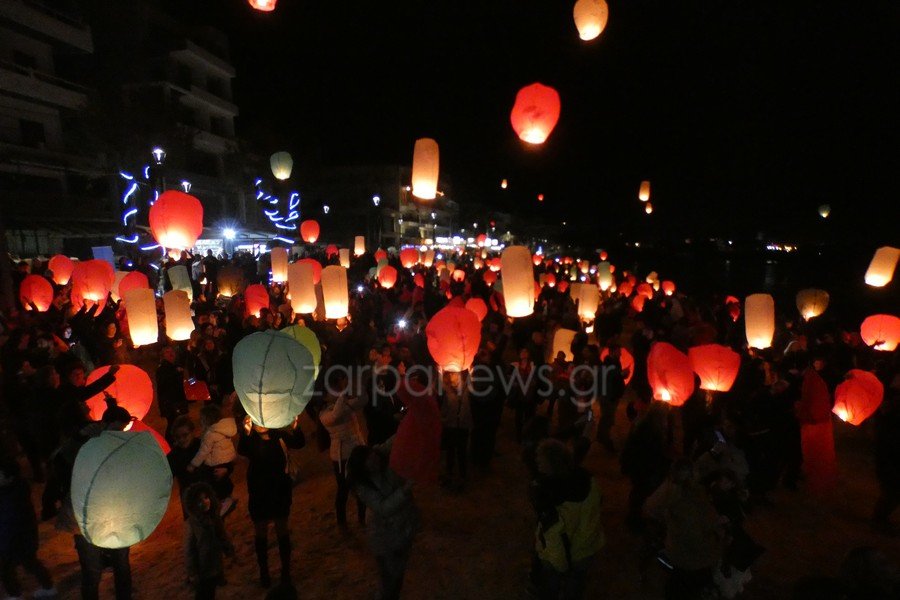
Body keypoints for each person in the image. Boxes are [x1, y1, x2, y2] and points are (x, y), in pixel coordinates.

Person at [530, 439, 604, 600]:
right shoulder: (588, 480)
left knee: (550, 587)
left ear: (552, 463)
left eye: (540, 459)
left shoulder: (549, 496)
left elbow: (553, 535)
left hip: (559, 555)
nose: (537, 462)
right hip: (586, 547)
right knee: (575, 587)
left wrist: (561, 566)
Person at [237, 415, 305, 588]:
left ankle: (285, 571)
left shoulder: (279, 435)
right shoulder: (250, 439)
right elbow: (243, 449)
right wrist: (245, 431)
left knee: (281, 529)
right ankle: (264, 572)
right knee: (261, 532)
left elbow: (299, 442)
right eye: (256, 420)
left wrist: (295, 426)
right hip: (259, 493)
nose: (260, 424)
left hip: (279, 490)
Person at [347, 440, 420, 600]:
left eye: (373, 456)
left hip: (403, 527)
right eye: (369, 462)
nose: (375, 461)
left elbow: (397, 439)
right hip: (384, 537)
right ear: (363, 468)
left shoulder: (380, 456)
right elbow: (384, 508)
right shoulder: (363, 487)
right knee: (388, 579)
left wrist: (409, 420)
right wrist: (405, 490)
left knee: (399, 573)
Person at [644, 460, 725, 600]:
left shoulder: (671, 490)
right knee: (687, 587)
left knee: (678, 582)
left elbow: (649, 508)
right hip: (692, 557)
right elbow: (698, 536)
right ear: (693, 475)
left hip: (676, 548)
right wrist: (719, 537)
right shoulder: (691, 501)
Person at [0, 458, 57, 599]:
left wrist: (4, 545)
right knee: (30, 563)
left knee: (6, 569)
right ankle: (48, 587)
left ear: (9, 478)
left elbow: (8, 524)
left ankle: (15, 595)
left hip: (12, 541)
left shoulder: (9, 498)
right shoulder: (18, 489)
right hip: (24, 539)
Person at [319, 369, 368, 526]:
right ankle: (342, 521)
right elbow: (336, 416)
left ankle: (362, 518)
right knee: (344, 490)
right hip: (341, 455)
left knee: (361, 487)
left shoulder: (344, 404)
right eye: (334, 389)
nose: (338, 391)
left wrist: (356, 386)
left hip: (358, 450)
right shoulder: (324, 414)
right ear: (325, 395)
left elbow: (363, 400)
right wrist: (343, 394)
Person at [183, 482, 234, 600]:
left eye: (206, 498)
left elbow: (221, 535)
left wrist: (228, 548)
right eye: (199, 500)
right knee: (202, 594)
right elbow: (189, 550)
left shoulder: (214, 518)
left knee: (211, 592)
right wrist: (192, 572)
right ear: (193, 504)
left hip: (215, 564)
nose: (205, 502)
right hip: (201, 568)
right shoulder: (192, 523)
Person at [188, 405, 238, 517]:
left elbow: (203, 452)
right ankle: (227, 498)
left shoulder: (210, 434)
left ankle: (224, 501)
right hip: (226, 460)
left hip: (216, 462)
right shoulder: (223, 430)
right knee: (222, 481)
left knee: (214, 483)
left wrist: (193, 464)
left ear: (206, 420)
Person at [440, 370, 472, 490]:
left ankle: (463, 476)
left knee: (462, 451)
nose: (454, 376)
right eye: (452, 374)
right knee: (450, 451)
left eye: (456, 373)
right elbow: (443, 407)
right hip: (450, 425)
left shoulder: (466, 388)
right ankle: (449, 474)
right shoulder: (445, 390)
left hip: (463, 425)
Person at [168, 415, 202, 518]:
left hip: (206, 492)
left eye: (185, 435)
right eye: (178, 437)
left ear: (192, 432)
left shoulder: (202, 447)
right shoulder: (174, 455)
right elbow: (167, 475)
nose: (182, 440)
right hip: (188, 497)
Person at [156, 346, 189, 440]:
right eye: (167, 352)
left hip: (177, 400)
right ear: (162, 355)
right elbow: (165, 384)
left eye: (172, 351)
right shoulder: (162, 368)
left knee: (177, 423)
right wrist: (176, 373)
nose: (170, 353)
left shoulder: (175, 366)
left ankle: (175, 441)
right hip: (171, 402)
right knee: (173, 424)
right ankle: (170, 443)